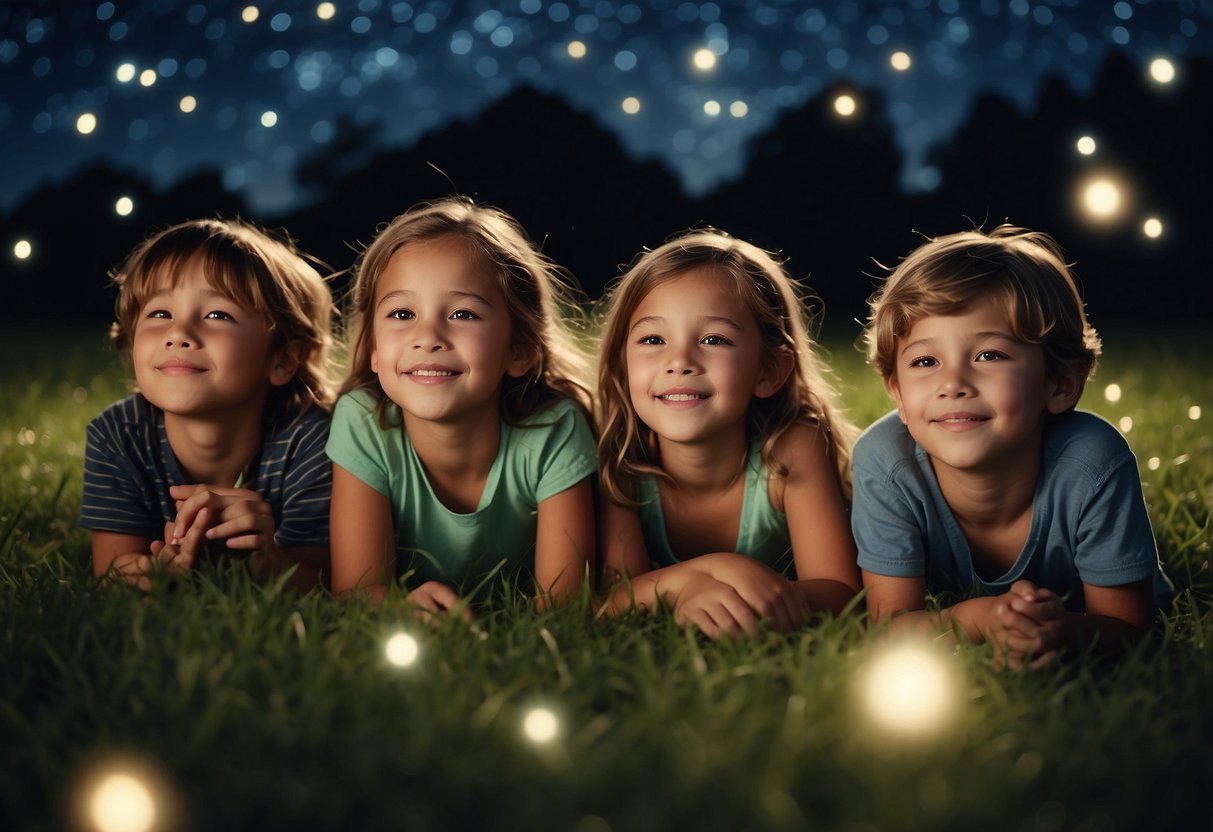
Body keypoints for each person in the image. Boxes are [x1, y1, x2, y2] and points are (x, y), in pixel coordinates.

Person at [853, 225, 1173, 668]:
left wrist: (1058, 632)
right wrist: (980, 619)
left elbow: (1131, 630)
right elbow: (889, 628)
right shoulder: (887, 462)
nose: (953, 384)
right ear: (899, 396)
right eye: (925, 361)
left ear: (1060, 384)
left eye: (989, 355)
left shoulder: (1094, 464)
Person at [327, 197, 596, 614]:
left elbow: (563, 605)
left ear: (519, 350)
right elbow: (358, 589)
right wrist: (400, 608)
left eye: (463, 314)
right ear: (374, 350)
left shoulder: (554, 429)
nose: (428, 336)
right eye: (401, 313)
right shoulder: (362, 421)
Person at [595, 229, 861, 639]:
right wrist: (708, 576)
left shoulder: (793, 449)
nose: (679, 361)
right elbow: (616, 598)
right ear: (622, 365)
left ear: (769, 370)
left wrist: (760, 605)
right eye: (653, 339)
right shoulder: (622, 459)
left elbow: (842, 593)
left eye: (713, 339)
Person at [80, 218, 337, 591]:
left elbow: (331, 584)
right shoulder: (117, 436)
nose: (179, 333)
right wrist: (151, 574)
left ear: (281, 359)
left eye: (218, 315)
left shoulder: (312, 442)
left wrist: (271, 559)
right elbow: (112, 574)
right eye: (160, 313)